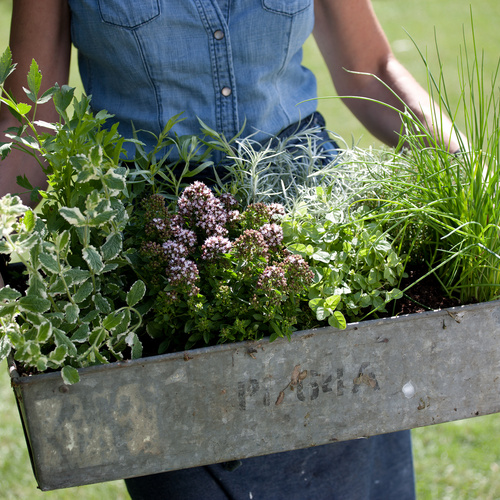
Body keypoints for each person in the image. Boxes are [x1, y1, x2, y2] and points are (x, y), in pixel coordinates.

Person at [0, 1, 463, 498]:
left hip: (321, 242)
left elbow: (370, 67)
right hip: (162, 263)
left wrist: (468, 174)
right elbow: (28, 114)